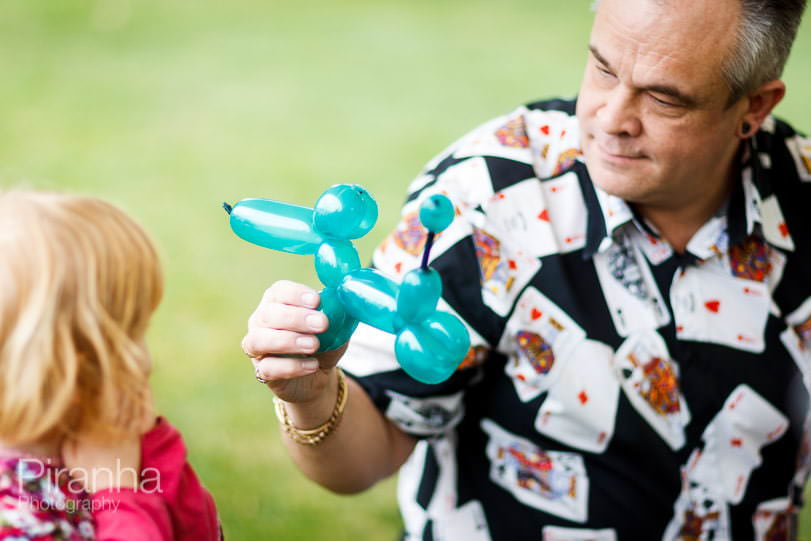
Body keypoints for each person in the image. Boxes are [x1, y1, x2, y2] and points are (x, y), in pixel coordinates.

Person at [241, 0, 811, 538]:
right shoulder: (486, 198)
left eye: (664, 99)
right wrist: (311, 395)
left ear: (754, 107)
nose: (612, 118)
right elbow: (365, 456)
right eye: (603, 68)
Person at [0, 191, 222, 541]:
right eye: (134, 333)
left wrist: (152, 447)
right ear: (77, 370)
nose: (146, 360)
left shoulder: (100, 451)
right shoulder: (18, 520)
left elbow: (198, 530)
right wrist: (118, 494)